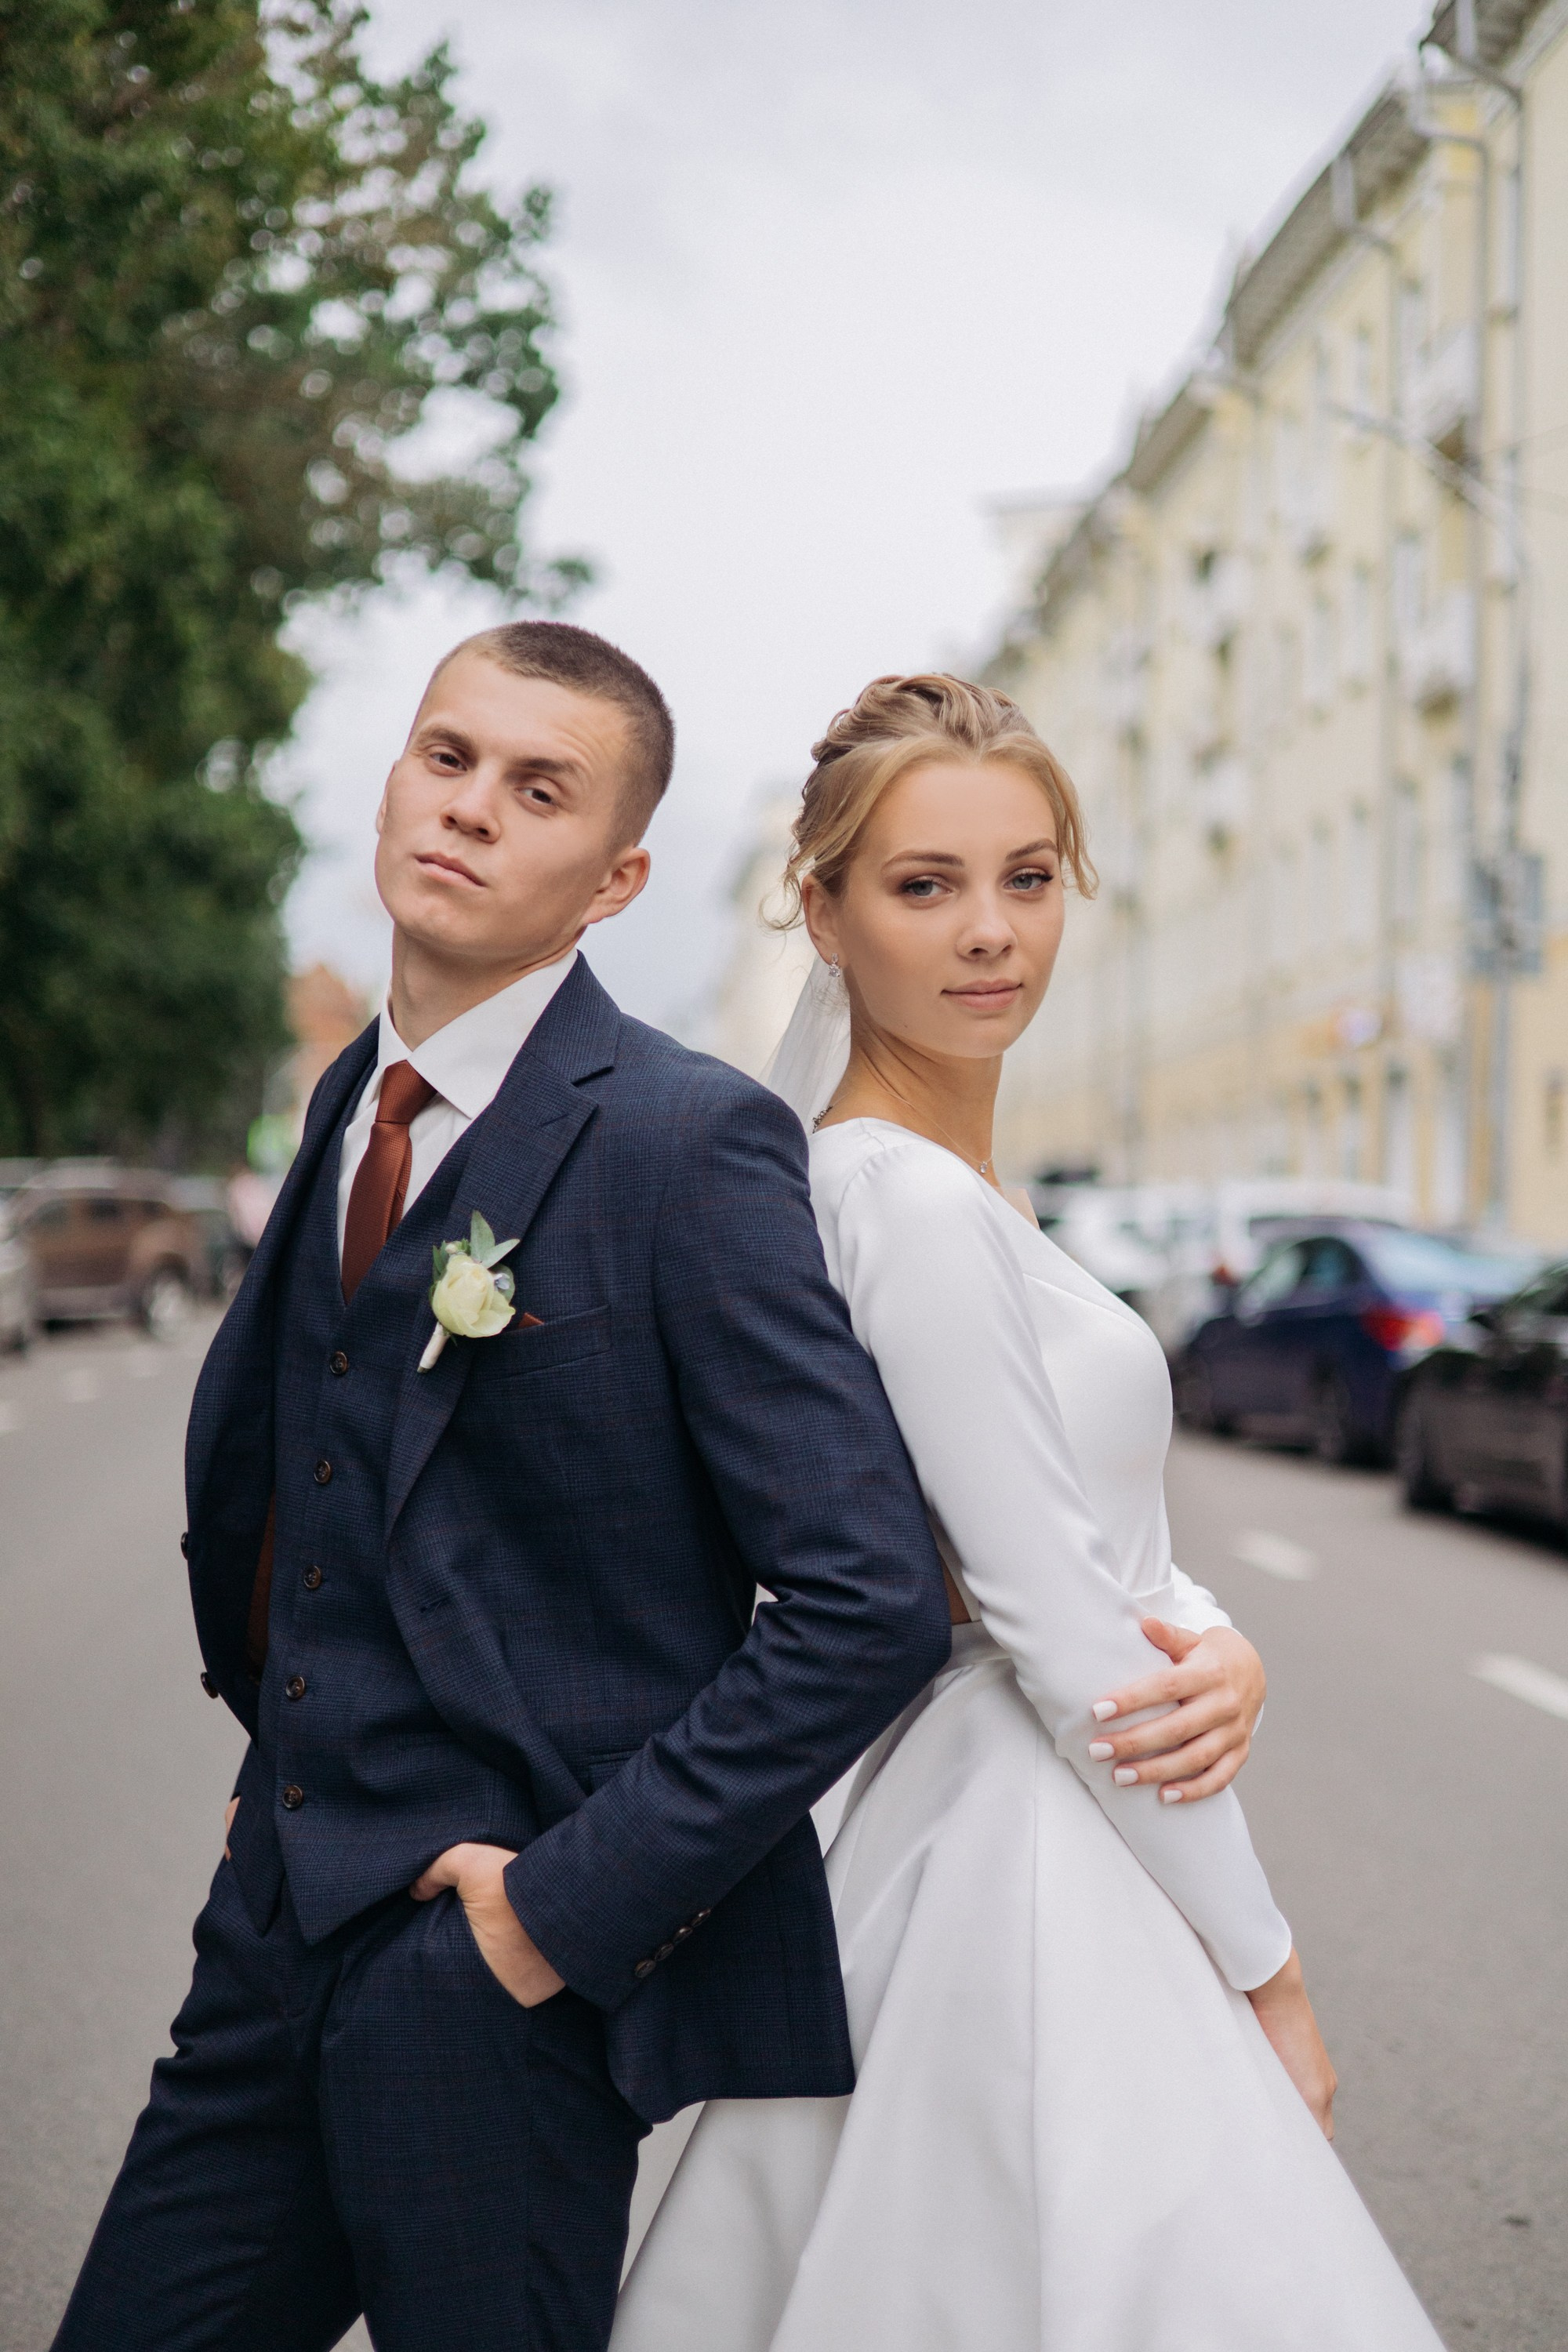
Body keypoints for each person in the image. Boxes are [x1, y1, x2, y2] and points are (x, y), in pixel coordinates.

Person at [50, 623, 962, 2352]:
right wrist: (287, 1772)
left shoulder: (687, 1142)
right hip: (272, 1934)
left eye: (535, 790)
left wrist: (552, 1918)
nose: (467, 810)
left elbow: (867, 1600)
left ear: (615, 877)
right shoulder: (348, 1096)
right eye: (446, 757)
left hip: (496, 1987)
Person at [613, 675, 1446, 2352]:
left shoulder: (948, 1190)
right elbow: (1060, 1629)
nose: (990, 934)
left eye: (1030, 876)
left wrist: (1219, 1637)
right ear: (825, 914)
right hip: (1027, 1857)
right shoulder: (901, 1200)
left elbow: (1074, 1536)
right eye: (924, 886)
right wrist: (1266, 1974)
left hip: (1018, 1811)